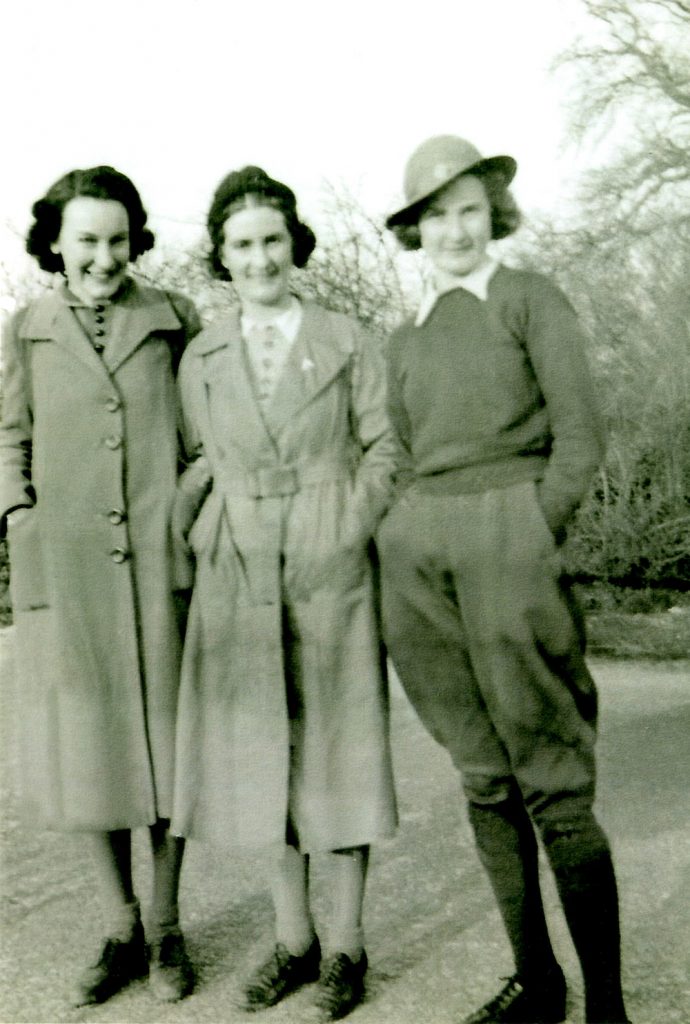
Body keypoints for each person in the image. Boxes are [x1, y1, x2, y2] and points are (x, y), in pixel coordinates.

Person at [378, 136, 631, 1024]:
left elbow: (581, 437)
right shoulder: (402, 337)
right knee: (483, 776)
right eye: (436, 215)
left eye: (470, 211)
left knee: (553, 777)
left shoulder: (530, 299)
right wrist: (398, 538)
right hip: (420, 559)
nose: (454, 230)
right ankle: (538, 981)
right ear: (416, 228)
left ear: (495, 216)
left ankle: (606, 1004)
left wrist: (531, 528)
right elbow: (399, 459)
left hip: (511, 540)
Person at [170, 165, 398, 1021]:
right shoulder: (204, 355)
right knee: (261, 759)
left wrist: (341, 530)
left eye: (271, 240)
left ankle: (346, 947)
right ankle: (292, 940)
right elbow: (202, 459)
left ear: (293, 245)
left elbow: (386, 451)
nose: (259, 258)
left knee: (338, 753)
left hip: (326, 563)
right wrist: (203, 533)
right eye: (241, 245)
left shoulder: (346, 339)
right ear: (221, 258)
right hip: (239, 567)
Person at [0, 166, 201, 1006]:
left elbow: (204, 432)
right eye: (85, 239)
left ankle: (165, 927)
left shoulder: (173, 320)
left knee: (163, 747)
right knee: (88, 751)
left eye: (117, 239)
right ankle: (118, 924)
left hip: (159, 563)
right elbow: (8, 441)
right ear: (55, 241)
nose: (103, 256)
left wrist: (184, 510)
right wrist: (22, 522)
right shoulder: (25, 331)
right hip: (71, 571)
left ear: (135, 240)